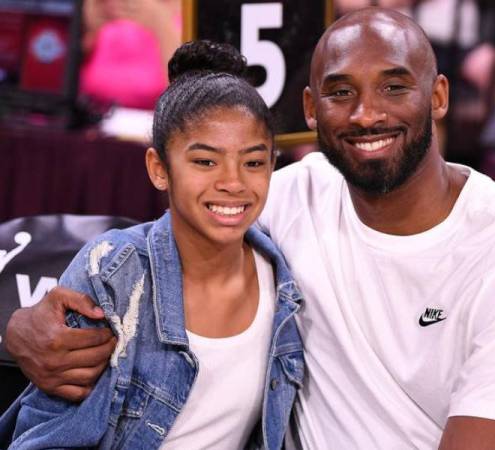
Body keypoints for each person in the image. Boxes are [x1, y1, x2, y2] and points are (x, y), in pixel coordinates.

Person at [5, 8, 495, 450]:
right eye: (341, 93)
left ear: (437, 96)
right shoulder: (281, 198)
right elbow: (151, 255)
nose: (366, 114)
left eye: (394, 86)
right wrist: (20, 328)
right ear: (310, 110)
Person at [0, 40, 303, 450]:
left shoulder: (285, 276)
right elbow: (46, 435)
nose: (233, 182)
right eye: (205, 161)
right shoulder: (114, 272)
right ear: (159, 169)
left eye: (253, 162)